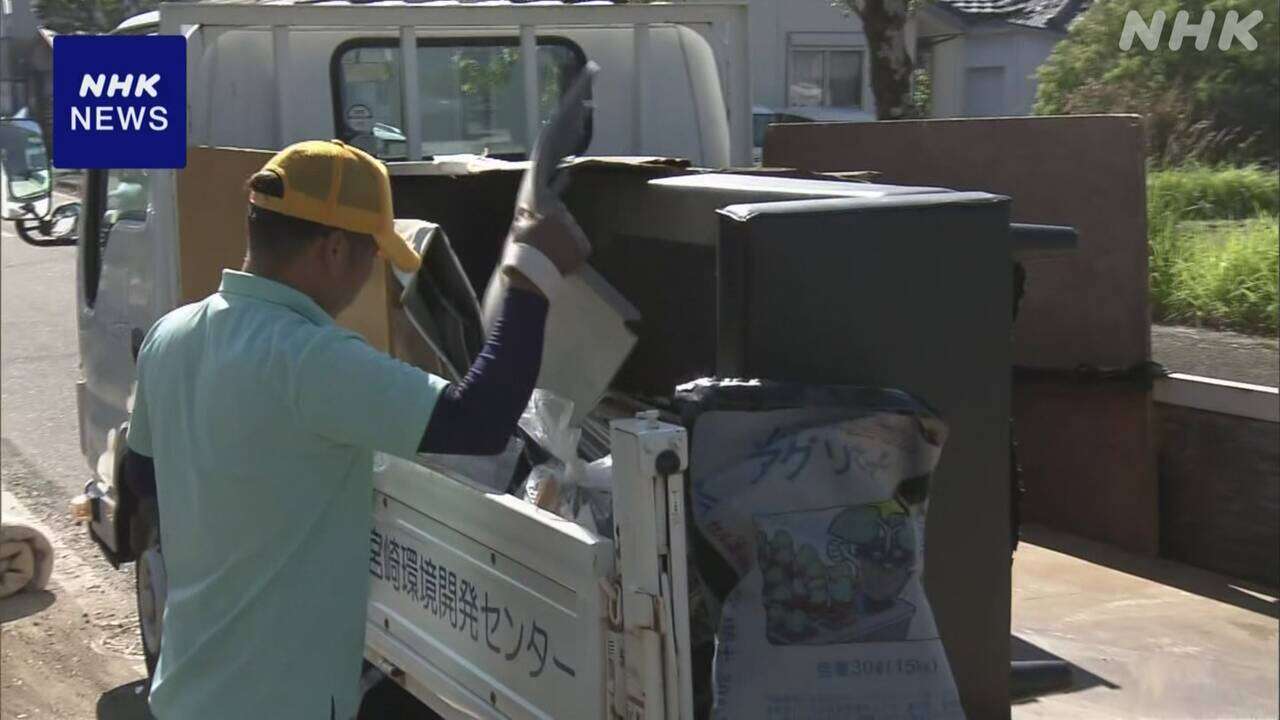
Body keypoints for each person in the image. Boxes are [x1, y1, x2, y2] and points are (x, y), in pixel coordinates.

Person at [121, 97, 591, 717]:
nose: (372, 274)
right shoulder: (313, 360)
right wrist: (531, 277)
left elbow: (141, 479)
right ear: (334, 250)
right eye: (373, 255)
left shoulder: (171, 335)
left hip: (185, 693)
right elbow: (479, 422)